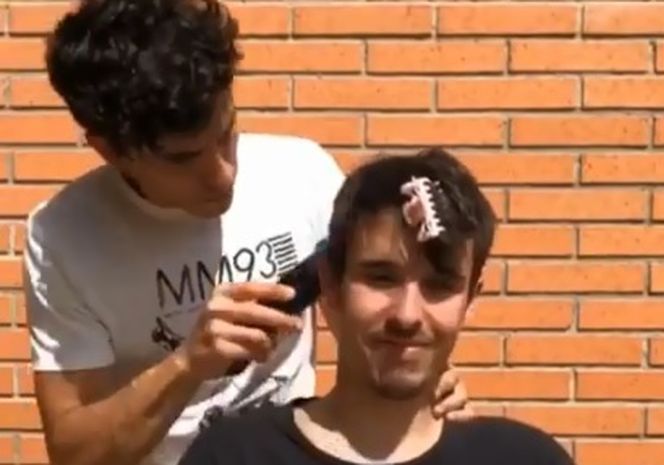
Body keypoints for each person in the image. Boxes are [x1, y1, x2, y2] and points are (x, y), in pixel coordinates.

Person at [22, 1, 472, 465]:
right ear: (110, 150)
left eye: (227, 133)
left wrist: (427, 380)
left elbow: (376, 306)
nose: (224, 175)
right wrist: (188, 364)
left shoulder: (303, 173)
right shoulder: (64, 237)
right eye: (183, 159)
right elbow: (75, 455)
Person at [178, 147, 576, 465]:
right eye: (382, 278)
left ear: (471, 298)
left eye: (440, 285)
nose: (407, 314)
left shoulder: (525, 459)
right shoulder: (234, 456)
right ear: (331, 285)